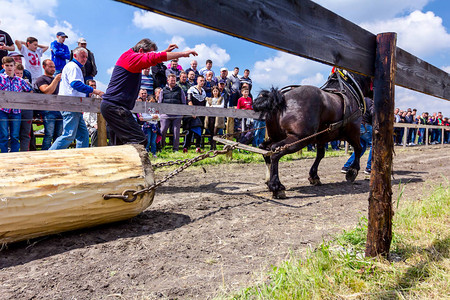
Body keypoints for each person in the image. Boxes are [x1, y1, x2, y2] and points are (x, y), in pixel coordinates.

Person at [101, 38, 197, 147]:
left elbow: (151, 58)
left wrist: (165, 52)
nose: (150, 59)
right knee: (139, 140)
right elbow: (152, 58)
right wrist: (182, 54)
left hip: (112, 107)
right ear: (141, 51)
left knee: (119, 145)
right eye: (149, 53)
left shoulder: (130, 56)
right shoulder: (131, 58)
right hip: (115, 108)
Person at [49, 47, 104, 150]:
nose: (85, 59)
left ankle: (81, 157)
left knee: (83, 135)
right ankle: (49, 155)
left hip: (75, 106)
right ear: (75, 56)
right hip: (70, 105)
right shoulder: (73, 67)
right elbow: (75, 84)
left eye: (86, 57)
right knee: (69, 135)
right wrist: (96, 91)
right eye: (82, 56)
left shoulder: (74, 67)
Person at [0, 56, 32, 153]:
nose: (9, 67)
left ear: (14, 67)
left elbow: (30, 91)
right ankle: (4, 155)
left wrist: (23, 101)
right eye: (7, 65)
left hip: (16, 111)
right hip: (3, 110)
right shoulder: (0, 78)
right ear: (3, 66)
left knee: (15, 135)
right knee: (4, 135)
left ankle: (14, 155)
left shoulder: (20, 80)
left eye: (11, 65)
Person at [34, 59, 63, 150]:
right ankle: (45, 153)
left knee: (58, 135)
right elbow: (47, 91)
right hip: (48, 110)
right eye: (50, 66)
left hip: (59, 109)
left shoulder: (57, 80)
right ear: (44, 67)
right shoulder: (41, 79)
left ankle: (56, 154)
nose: (53, 69)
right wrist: (56, 80)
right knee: (49, 134)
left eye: (54, 67)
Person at [341, 97, 374, 175]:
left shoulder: (358, 99)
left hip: (357, 125)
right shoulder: (369, 100)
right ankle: (369, 168)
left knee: (361, 146)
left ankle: (347, 166)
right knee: (374, 144)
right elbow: (373, 113)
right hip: (366, 125)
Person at [159, 74, 187, 151]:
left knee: (176, 132)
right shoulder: (163, 90)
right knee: (163, 130)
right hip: (165, 115)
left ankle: (175, 149)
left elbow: (183, 102)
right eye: (171, 80)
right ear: (168, 81)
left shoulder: (179, 90)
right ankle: (162, 146)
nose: (173, 82)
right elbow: (160, 103)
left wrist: (181, 113)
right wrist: (161, 114)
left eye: (174, 80)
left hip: (177, 115)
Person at [14, 63, 34, 151]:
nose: (19, 75)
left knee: (25, 134)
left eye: (21, 73)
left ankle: (24, 152)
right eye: (17, 73)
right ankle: (12, 154)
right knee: (14, 134)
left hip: (26, 110)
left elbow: (31, 93)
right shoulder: (10, 82)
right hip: (14, 110)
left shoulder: (26, 83)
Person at [184, 75, 206, 152]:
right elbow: (189, 101)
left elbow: (204, 103)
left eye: (203, 81)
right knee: (190, 131)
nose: (202, 82)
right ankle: (186, 147)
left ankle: (197, 147)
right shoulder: (191, 89)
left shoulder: (203, 91)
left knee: (199, 130)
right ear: (197, 81)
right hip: (192, 113)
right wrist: (193, 112)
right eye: (201, 80)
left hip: (201, 114)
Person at [139, 91, 160, 157]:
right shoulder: (145, 109)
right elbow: (144, 117)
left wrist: (157, 117)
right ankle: (146, 152)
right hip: (147, 126)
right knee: (147, 140)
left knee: (153, 141)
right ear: (147, 101)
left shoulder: (156, 109)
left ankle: (154, 153)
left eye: (154, 102)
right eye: (151, 102)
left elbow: (159, 117)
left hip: (154, 126)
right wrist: (152, 117)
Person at [83, 79, 101, 147]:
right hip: (88, 125)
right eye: (91, 85)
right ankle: (93, 149)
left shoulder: (98, 97)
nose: (93, 87)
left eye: (94, 85)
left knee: (112, 130)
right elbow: (86, 115)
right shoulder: (85, 97)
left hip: (99, 123)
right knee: (95, 131)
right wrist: (95, 125)